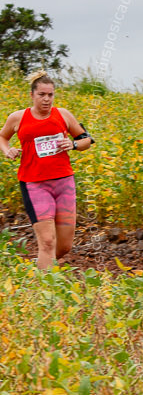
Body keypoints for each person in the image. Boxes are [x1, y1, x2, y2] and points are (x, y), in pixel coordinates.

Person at [0, 71, 94, 269]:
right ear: (32, 95)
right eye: (42, 94)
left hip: (64, 183)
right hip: (34, 184)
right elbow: (2, 137)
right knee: (48, 242)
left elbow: (86, 140)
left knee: (64, 246)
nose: (46, 99)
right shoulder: (18, 118)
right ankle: (43, 292)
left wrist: (74, 145)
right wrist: (8, 150)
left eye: (50, 95)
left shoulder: (63, 115)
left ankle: (40, 269)